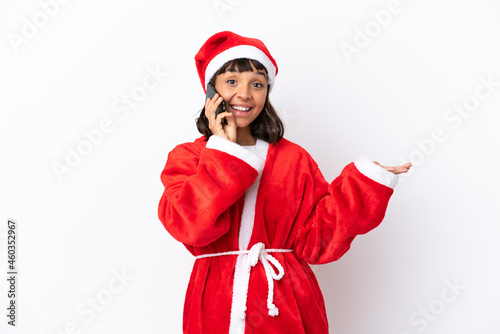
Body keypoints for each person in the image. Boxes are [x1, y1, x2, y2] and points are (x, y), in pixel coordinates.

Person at [158, 31, 411, 334]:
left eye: (257, 84)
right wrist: (222, 154)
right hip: (216, 304)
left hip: (285, 304)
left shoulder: (293, 158)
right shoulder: (190, 157)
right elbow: (189, 226)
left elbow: (317, 243)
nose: (245, 94)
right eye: (231, 82)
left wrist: (365, 185)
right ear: (211, 91)